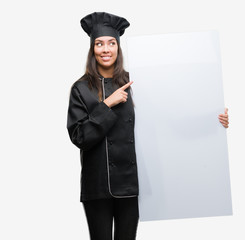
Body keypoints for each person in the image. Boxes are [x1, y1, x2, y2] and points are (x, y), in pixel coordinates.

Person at [67, 12, 229, 240]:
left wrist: (213, 120)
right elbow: (79, 137)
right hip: (97, 186)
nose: (106, 49)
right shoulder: (80, 88)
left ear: (118, 47)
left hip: (130, 184)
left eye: (111, 43)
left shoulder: (136, 82)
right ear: (92, 49)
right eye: (99, 44)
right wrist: (107, 105)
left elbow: (171, 119)